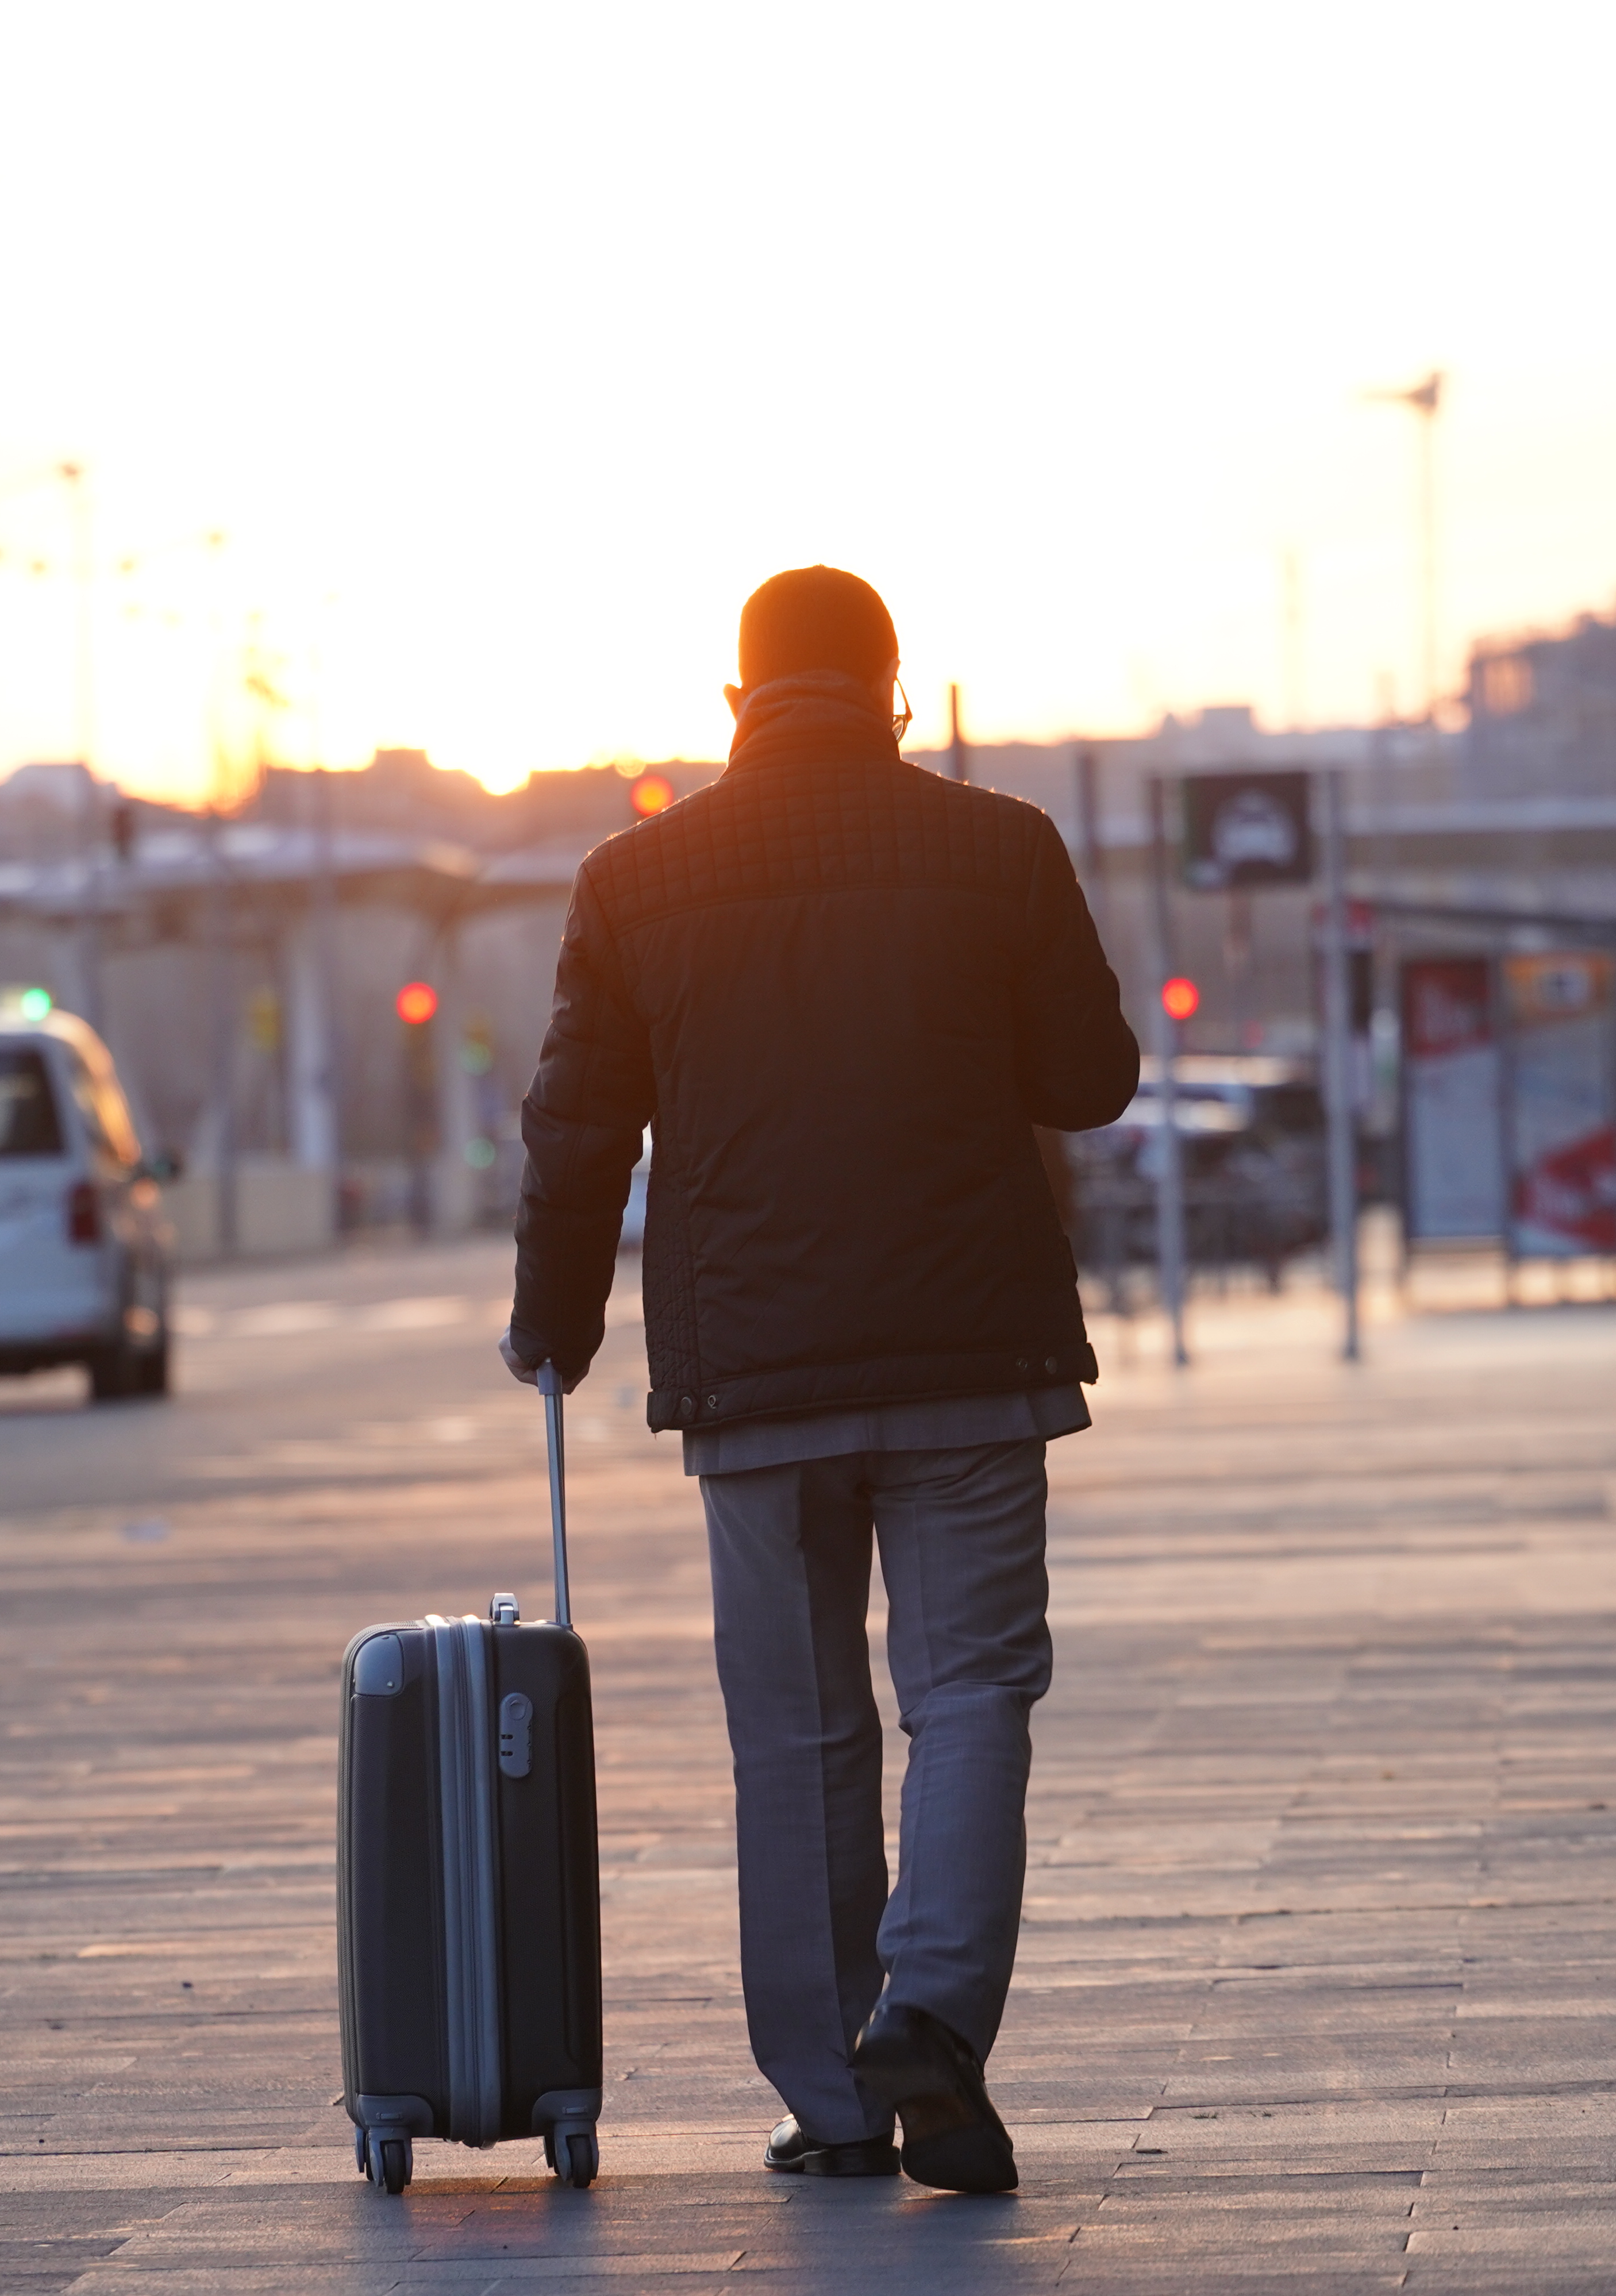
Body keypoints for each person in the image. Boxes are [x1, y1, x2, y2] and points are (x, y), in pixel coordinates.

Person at [501, 566, 1138, 2195]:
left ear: (735, 707)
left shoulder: (636, 879)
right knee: (972, 1692)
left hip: (761, 1384)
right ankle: (930, 2012)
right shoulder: (1000, 850)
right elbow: (1090, 1082)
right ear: (897, 695)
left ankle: (840, 2101)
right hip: (971, 1362)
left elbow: (580, 1131)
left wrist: (555, 1324)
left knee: (793, 1736)